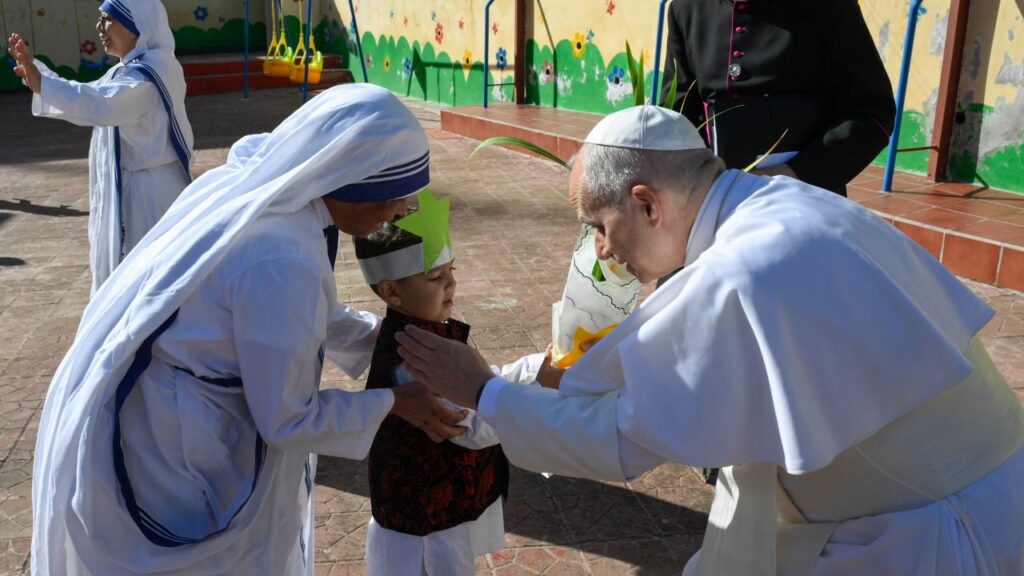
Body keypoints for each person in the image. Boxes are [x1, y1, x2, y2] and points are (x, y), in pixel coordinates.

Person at [395, 105, 1024, 575]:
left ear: (647, 204)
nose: (603, 249)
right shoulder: (777, 206)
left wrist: (482, 390)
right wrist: (519, 378)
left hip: (931, 538)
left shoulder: (741, 271)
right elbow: (615, 367)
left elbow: (620, 436)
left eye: (600, 226)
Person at [31, 84, 469, 575]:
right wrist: (396, 404)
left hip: (169, 402)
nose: (399, 213)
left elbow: (304, 315)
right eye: (394, 198)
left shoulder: (269, 186)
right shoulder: (282, 256)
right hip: (179, 443)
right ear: (349, 179)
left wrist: (383, 340)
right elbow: (288, 419)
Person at [353, 205, 548, 575]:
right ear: (392, 291)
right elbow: (470, 425)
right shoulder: (413, 357)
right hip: (425, 529)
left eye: (451, 271)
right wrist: (539, 386)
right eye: (435, 277)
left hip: (437, 516)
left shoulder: (426, 334)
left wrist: (539, 367)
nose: (451, 284)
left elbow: (482, 382)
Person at [8, 0, 193, 293]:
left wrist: (43, 82)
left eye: (108, 19)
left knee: (147, 287)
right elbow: (92, 95)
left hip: (147, 198)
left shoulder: (146, 76)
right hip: (139, 187)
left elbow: (98, 104)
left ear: (136, 25)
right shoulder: (134, 69)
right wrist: (41, 78)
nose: (100, 27)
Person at [658, 0, 895, 196]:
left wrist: (794, 173)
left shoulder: (829, 7)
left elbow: (873, 113)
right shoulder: (685, 8)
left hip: (808, 201)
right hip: (718, 204)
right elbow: (678, 116)